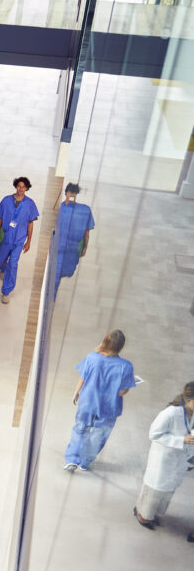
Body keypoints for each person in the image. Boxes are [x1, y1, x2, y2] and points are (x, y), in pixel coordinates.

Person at [64, 330, 135, 472]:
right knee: (99, 436)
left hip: (88, 402)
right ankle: (85, 462)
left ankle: (72, 460)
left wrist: (76, 392)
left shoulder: (92, 358)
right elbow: (121, 392)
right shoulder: (126, 366)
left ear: (106, 341)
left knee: (80, 429)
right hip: (109, 407)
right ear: (121, 346)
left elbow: (83, 378)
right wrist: (128, 387)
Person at [134, 382, 194, 529]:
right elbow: (154, 434)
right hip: (163, 461)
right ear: (189, 399)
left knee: (167, 491)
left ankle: (153, 514)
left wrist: (191, 461)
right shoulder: (170, 413)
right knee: (154, 491)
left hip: (180, 461)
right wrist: (181, 440)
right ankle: (143, 516)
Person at [0, 176, 39, 304]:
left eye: (24, 187)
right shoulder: (6, 201)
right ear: (16, 187)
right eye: (19, 186)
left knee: (13, 264)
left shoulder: (30, 204)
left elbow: (30, 224)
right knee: (1, 259)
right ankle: (3, 269)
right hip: (6, 237)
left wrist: (28, 241)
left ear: (27, 188)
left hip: (19, 239)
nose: (21, 189)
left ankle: (6, 292)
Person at [54, 183, 95, 299]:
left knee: (65, 271)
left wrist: (85, 247)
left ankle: (53, 293)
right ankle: (53, 295)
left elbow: (87, 231)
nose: (72, 195)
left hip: (73, 248)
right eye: (70, 192)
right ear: (66, 193)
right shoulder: (62, 209)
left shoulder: (84, 210)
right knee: (57, 272)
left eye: (74, 193)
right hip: (60, 245)